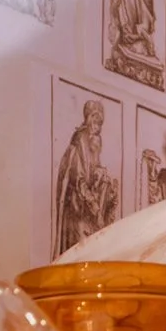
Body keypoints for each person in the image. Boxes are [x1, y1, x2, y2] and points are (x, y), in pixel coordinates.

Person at [53, 101, 119, 258]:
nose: (97, 126)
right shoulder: (81, 139)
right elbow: (80, 179)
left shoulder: (94, 140)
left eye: (99, 123)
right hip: (77, 208)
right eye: (94, 121)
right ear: (88, 119)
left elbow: (93, 171)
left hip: (87, 208)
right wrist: (94, 205)